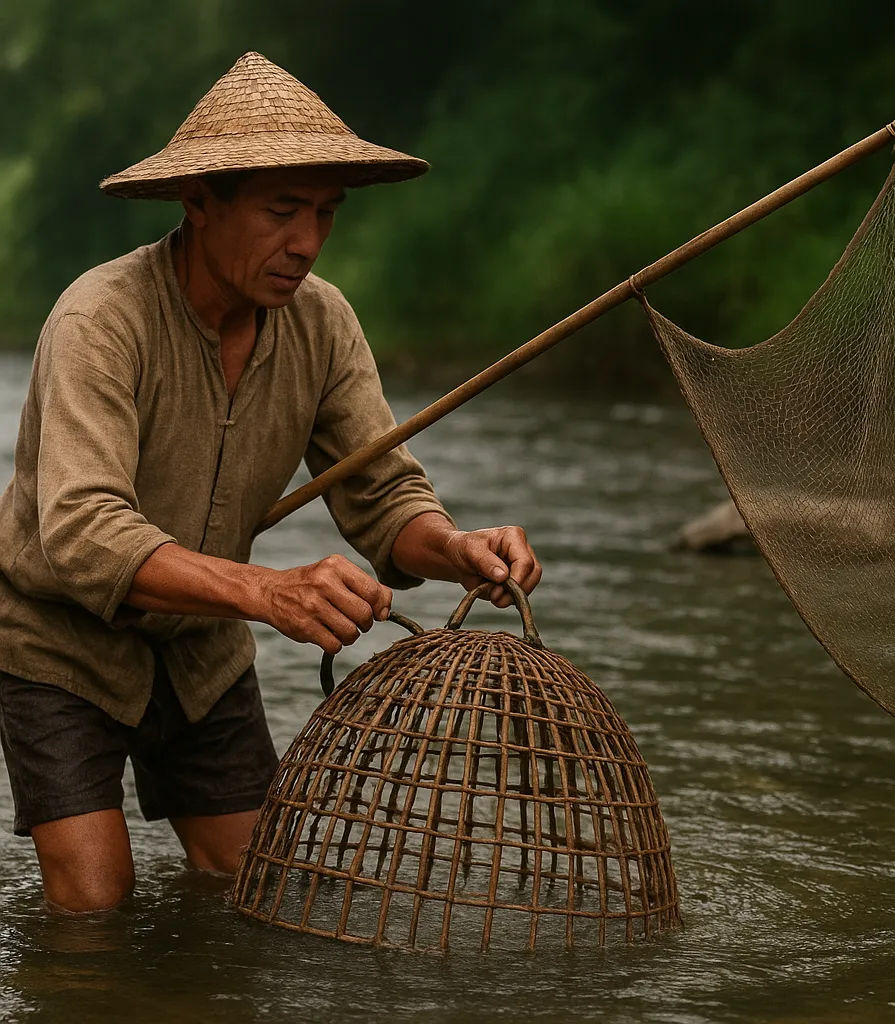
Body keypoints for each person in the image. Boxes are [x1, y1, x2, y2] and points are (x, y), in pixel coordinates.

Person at [0, 52, 541, 915]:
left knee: (256, 892)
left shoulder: (321, 324)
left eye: (325, 214)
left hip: (202, 652)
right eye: (282, 211)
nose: (307, 243)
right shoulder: (101, 319)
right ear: (200, 204)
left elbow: (382, 495)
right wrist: (265, 591)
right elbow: (83, 531)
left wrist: (454, 547)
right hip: (61, 647)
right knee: (95, 904)